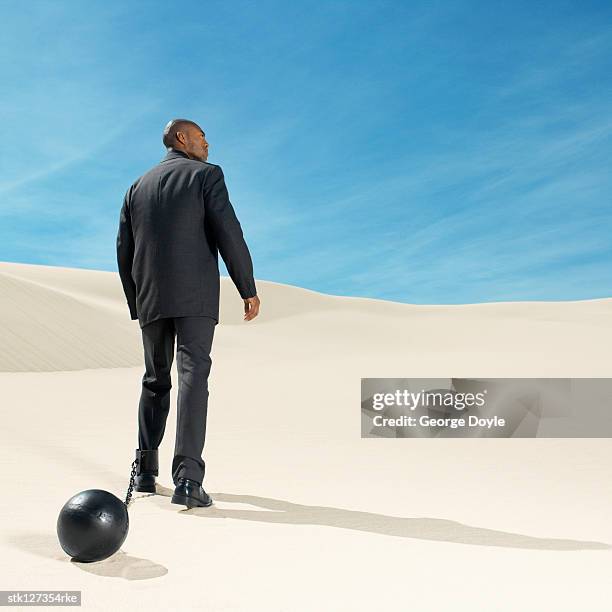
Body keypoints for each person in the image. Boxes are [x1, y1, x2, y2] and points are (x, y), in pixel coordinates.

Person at [116, 118, 260, 508]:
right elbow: (229, 232)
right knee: (193, 375)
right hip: (194, 296)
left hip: (151, 298)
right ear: (182, 138)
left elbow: (123, 250)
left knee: (154, 380)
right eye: (201, 137)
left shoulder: (136, 187)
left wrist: (137, 300)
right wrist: (246, 287)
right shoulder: (206, 176)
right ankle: (188, 481)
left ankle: (145, 473)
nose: (208, 144)